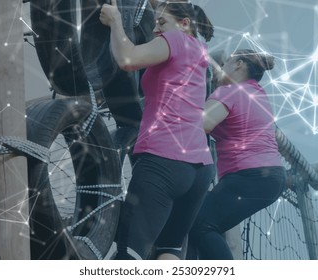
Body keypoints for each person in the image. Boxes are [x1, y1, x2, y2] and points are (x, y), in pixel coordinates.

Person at [100, 0, 215, 260]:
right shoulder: (199, 52)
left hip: (164, 160)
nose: (155, 29)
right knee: (169, 251)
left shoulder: (177, 39)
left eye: (161, 22)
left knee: (129, 253)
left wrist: (115, 21)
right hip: (200, 170)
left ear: (184, 24)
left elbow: (128, 59)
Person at [189, 49, 287, 259]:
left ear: (239, 65)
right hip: (271, 177)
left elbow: (202, 123)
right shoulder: (257, 93)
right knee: (208, 224)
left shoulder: (230, 92)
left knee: (200, 224)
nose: (219, 70)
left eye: (224, 64)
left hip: (249, 176)